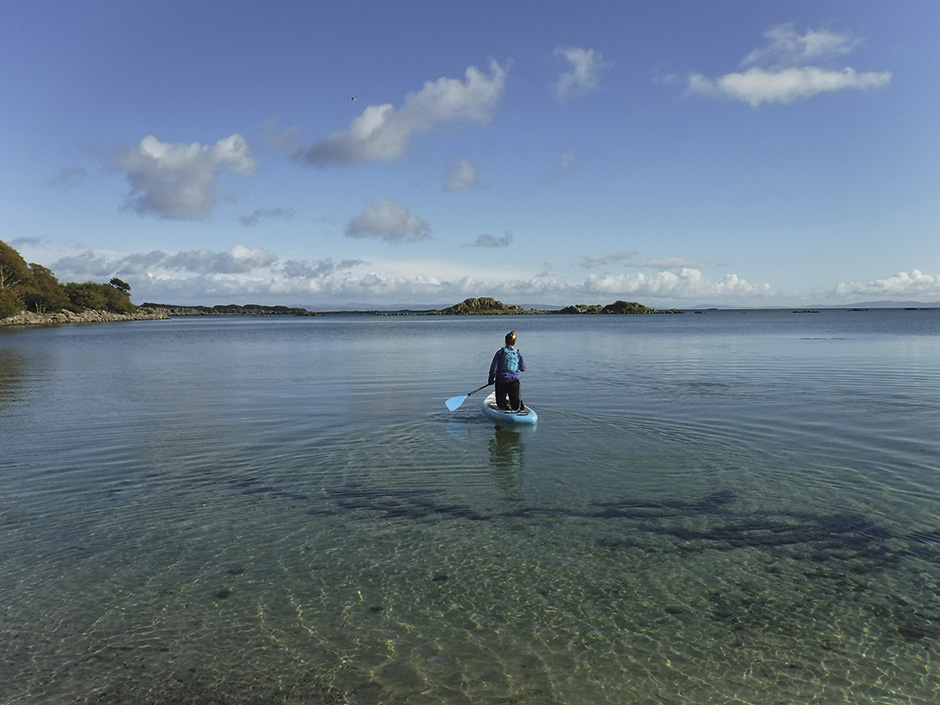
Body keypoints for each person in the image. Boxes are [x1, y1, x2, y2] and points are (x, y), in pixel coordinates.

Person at [488, 330, 526, 410]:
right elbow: (523, 368)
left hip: (501, 381)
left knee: (501, 403)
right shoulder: (518, 353)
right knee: (515, 402)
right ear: (515, 342)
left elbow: (493, 368)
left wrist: (491, 379)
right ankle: (517, 406)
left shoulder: (500, 352)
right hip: (514, 381)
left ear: (506, 341)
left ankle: (504, 406)